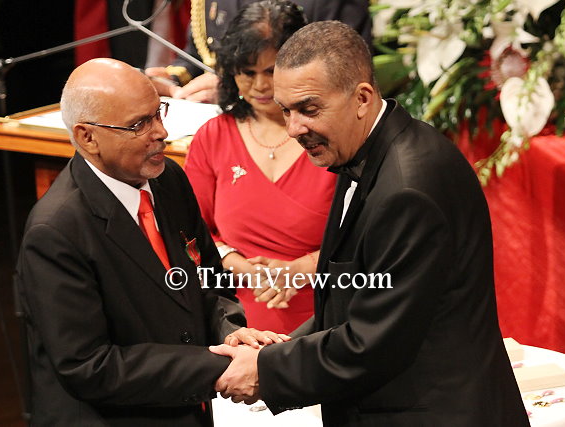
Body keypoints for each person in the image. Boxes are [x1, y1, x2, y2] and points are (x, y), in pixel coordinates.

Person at [209, 21, 531, 426]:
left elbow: (374, 341)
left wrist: (266, 369)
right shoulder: (358, 151)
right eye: (286, 110)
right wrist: (278, 345)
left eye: (309, 109)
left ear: (362, 97)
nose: (294, 129)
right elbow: (352, 300)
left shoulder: (407, 189)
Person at [15, 57, 286, 426]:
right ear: (86, 137)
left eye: (158, 113)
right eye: (138, 125)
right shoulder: (56, 231)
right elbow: (89, 366)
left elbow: (208, 281)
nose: (160, 132)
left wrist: (233, 333)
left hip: (185, 408)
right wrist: (216, 367)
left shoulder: (168, 178)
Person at [184, 0, 336, 334]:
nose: (260, 86)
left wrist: (299, 269)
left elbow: (369, 239)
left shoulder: (334, 136)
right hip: (233, 323)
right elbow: (190, 231)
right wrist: (238, 265)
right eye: (247, 73)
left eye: (271, 72)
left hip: (328, 318)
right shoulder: (213, 137)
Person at [145, 0, 372, 102]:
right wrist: (172, 78)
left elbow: (343, 73)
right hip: (209, 122)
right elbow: (199, 54)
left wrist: (234, 88)